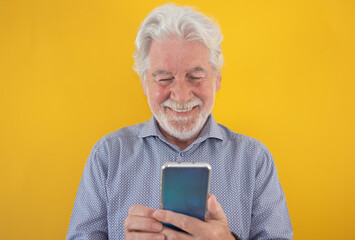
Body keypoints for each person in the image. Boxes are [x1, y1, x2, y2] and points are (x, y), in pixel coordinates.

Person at [66, 3, 293, 240]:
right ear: (145, 83)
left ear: (217, 79)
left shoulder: (255, 160)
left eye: (195, 77)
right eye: (164, 78)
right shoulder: (108, 156)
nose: (182, 95)